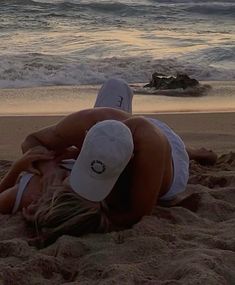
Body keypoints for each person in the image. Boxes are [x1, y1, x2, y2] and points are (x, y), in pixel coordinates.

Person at [0, 78, 217, 245]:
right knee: (116, 85)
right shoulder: (90, 121)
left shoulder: (149, 147)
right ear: (84, 140)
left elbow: (133, 214)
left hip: (169, 157)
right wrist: (48, 169)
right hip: (115, 127)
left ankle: (191, 152)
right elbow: (31, 140)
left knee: (173, 147)